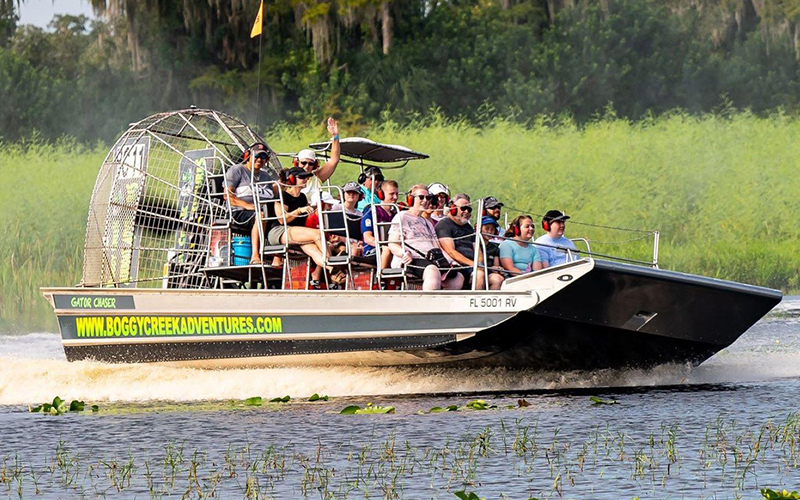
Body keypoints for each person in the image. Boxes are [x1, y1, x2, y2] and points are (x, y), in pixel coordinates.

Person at [269, 167, 344, 284]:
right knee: (318, 235)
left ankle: (332, 270)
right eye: (302, 177)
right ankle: (332, 262)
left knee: (314, 250)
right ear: (292, 179)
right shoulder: (283, 195)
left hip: (297, 233)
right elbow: (282, 220)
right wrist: (299, 211)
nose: (305, 180)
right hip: (280, 231)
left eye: (306, 177)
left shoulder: (303, 197)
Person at [387, 184, 464, 291]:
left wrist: (451, 261)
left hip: (431, 259)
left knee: (458, 277)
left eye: (428, 198)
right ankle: (429, 305)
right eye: (421, 197)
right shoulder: (402, 216)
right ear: (411, 199)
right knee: (432, 271)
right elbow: (392, 244)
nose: (425, 200)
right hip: (412, 259)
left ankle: (442, 304)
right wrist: (404, 253)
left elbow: (437, 247)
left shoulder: (427, 222)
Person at [436, 194, 503, 290]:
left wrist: (479, 263)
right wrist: (473, 264)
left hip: (474, 266)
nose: (466, 212)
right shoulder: (444, 225)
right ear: (453, 208)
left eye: (469, 209)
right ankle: (476, 302)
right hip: (459, 266)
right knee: (479, 274)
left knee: (497, 279)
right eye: (463, 208)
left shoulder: (468, 228)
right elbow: (451, 252)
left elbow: (478, 250)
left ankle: (487, 304)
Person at [224, 142, 277, 264]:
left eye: (263, 157)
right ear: (248, 156)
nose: (260, 160)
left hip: (264, 211)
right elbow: (227, 195)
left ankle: (277, 259)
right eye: (257, 156)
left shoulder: (266, 176)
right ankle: (255, 256)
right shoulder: (237, 170)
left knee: (281, 218)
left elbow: (274, 194)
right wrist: (247, 206)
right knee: (261, 216)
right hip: (240, 212)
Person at [298, 117, 341, 200]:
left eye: (310, 164)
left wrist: (335, 137)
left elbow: (334, 160)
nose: (307, 166)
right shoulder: (290, 178)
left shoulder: (316, 177)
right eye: (303, 163)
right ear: (297, 163)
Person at [362, 180, 399, 267]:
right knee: (387, 249)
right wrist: (383, 245)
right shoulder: (372, 211)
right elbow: (367, 237)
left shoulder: (396, 214)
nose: (395, 197)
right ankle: (382, 277)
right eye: (391, 194)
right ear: (381, 194)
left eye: (397, 194)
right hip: (374, 249)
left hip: (393, 247)